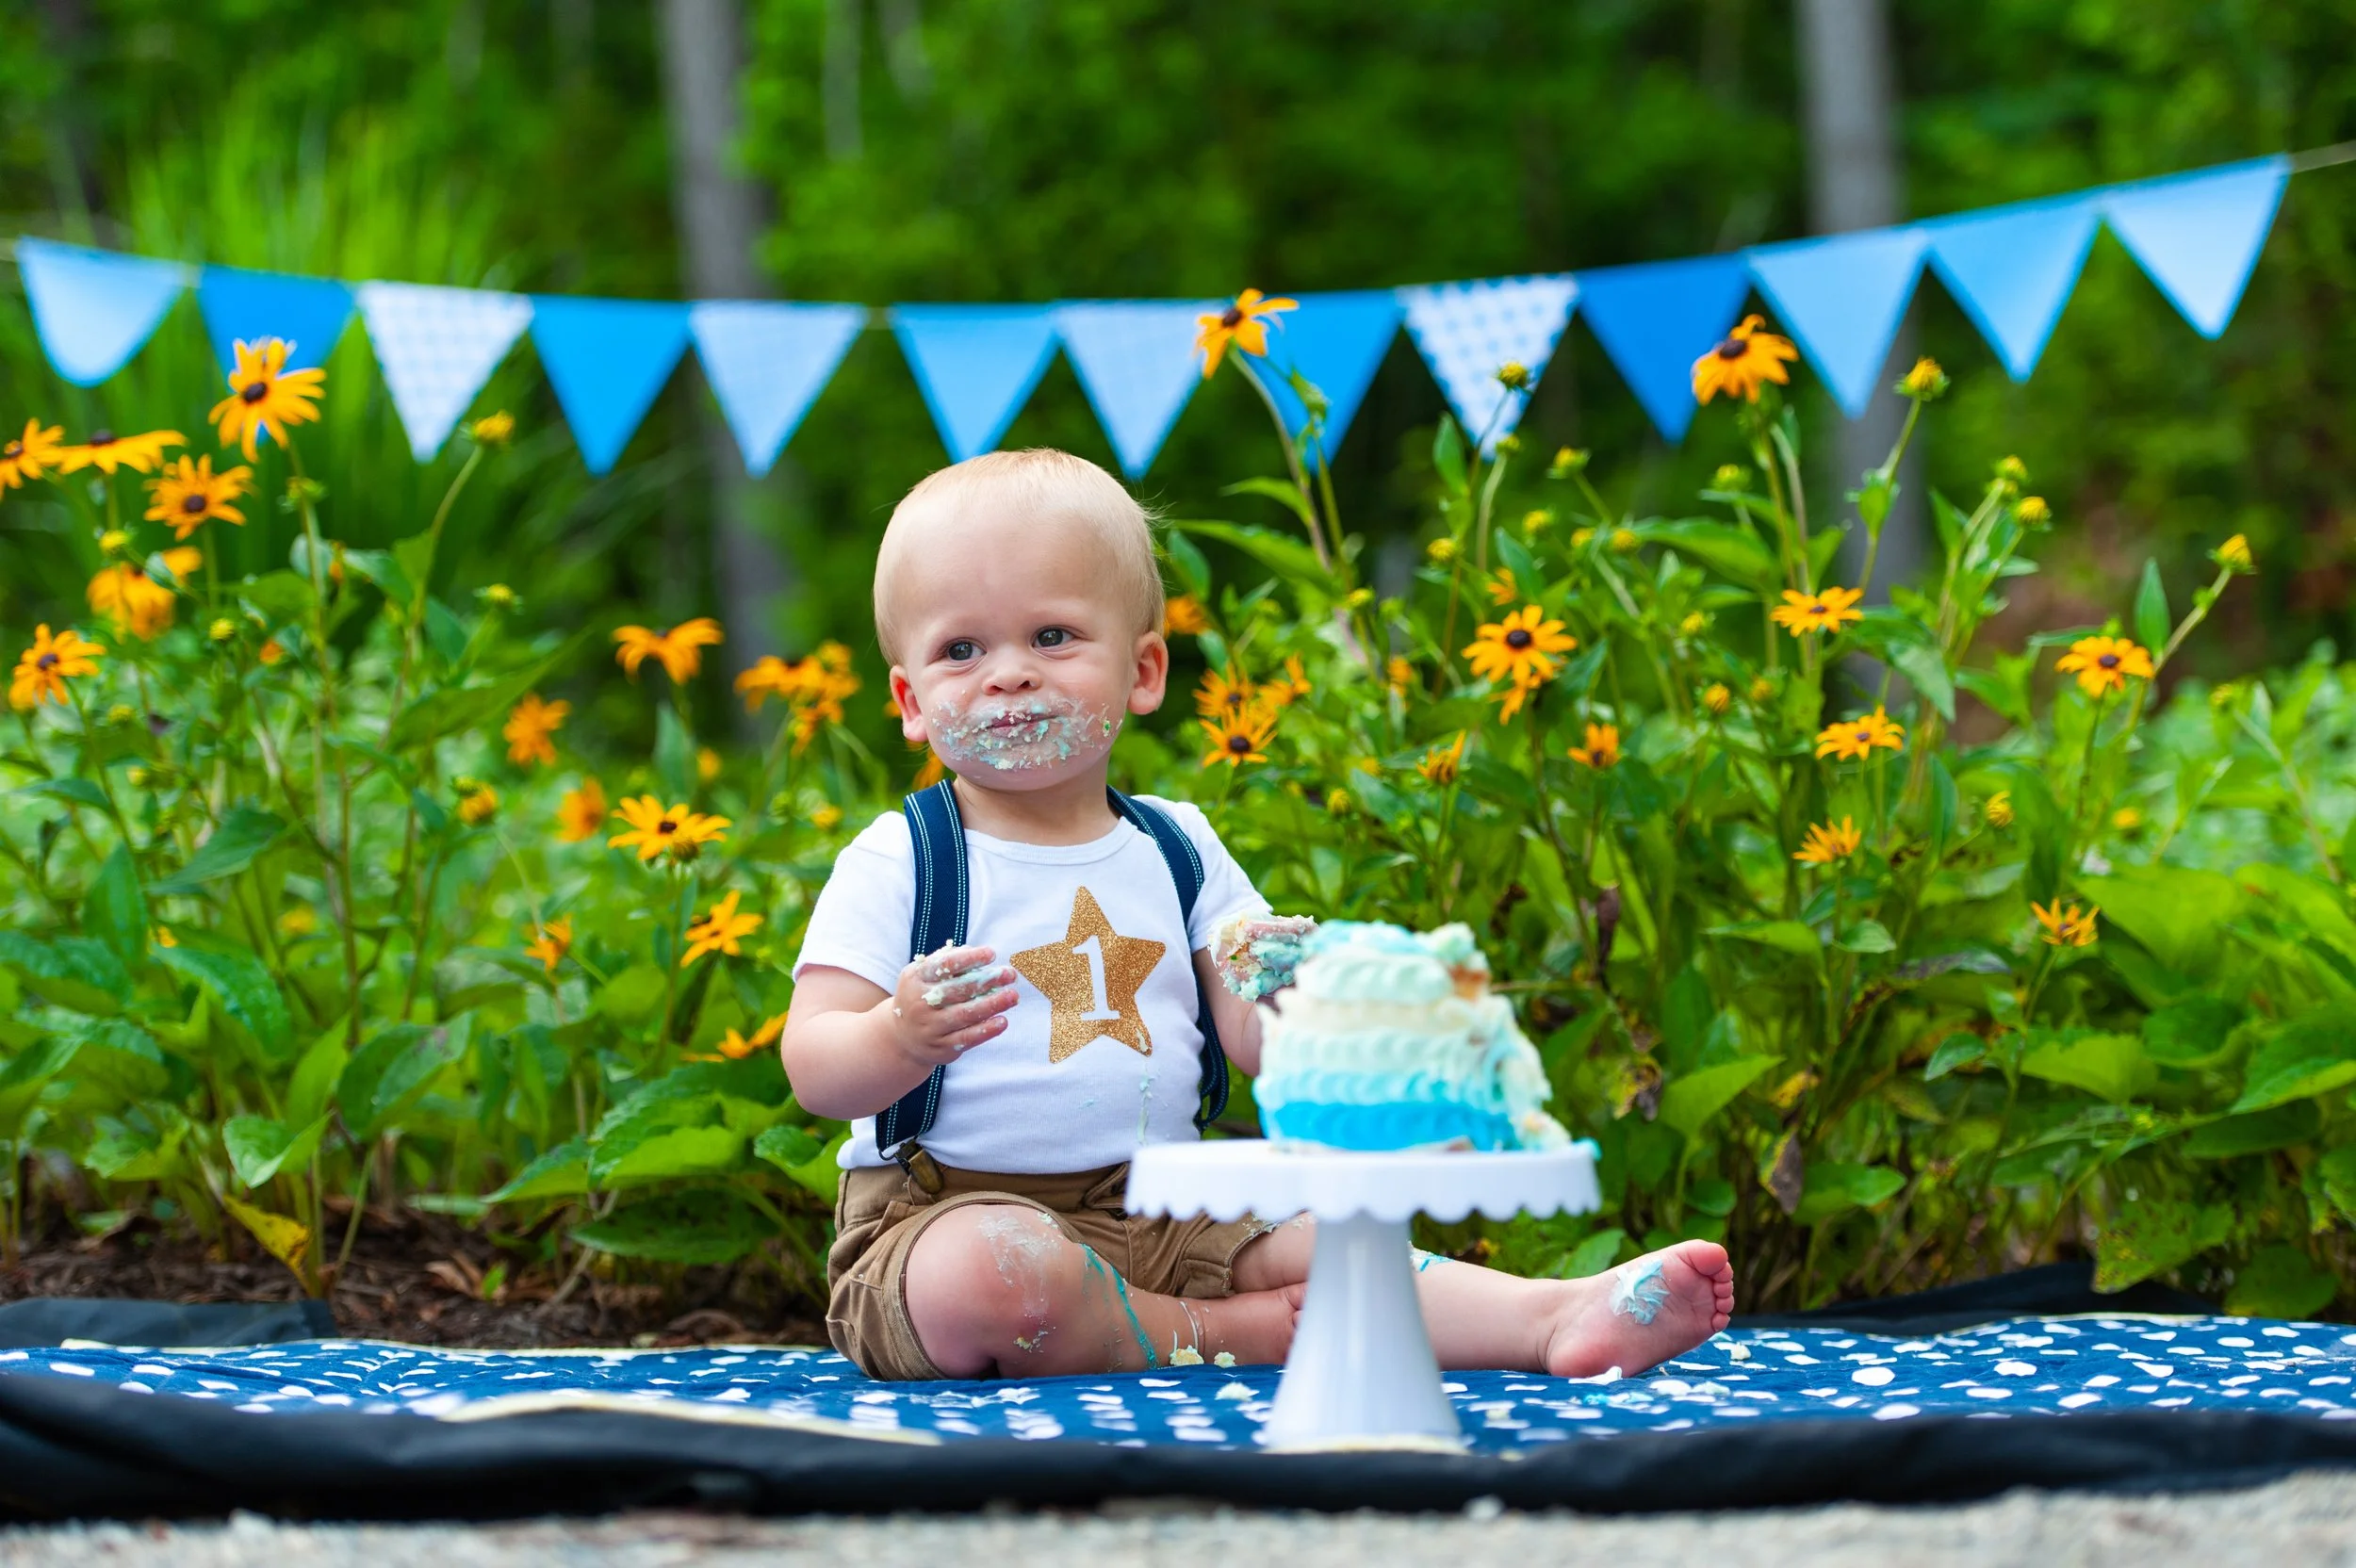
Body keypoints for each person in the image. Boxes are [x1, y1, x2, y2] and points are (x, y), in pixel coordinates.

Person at [781, 449, 1734, 1381]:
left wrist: (1297, 991)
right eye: (961, 649)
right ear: (910, 701)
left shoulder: (1178, 846)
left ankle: (1545, 1316)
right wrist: (899, 1032)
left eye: (1053, 636)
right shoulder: (905, 854)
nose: (1008, 673)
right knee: (991, 1275)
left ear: (1144, 670)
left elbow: (1253, 1038)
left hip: (1170, 1200)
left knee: (1336, 1237)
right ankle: (1226, 1331)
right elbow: (815, 1062)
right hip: (939, 1210)